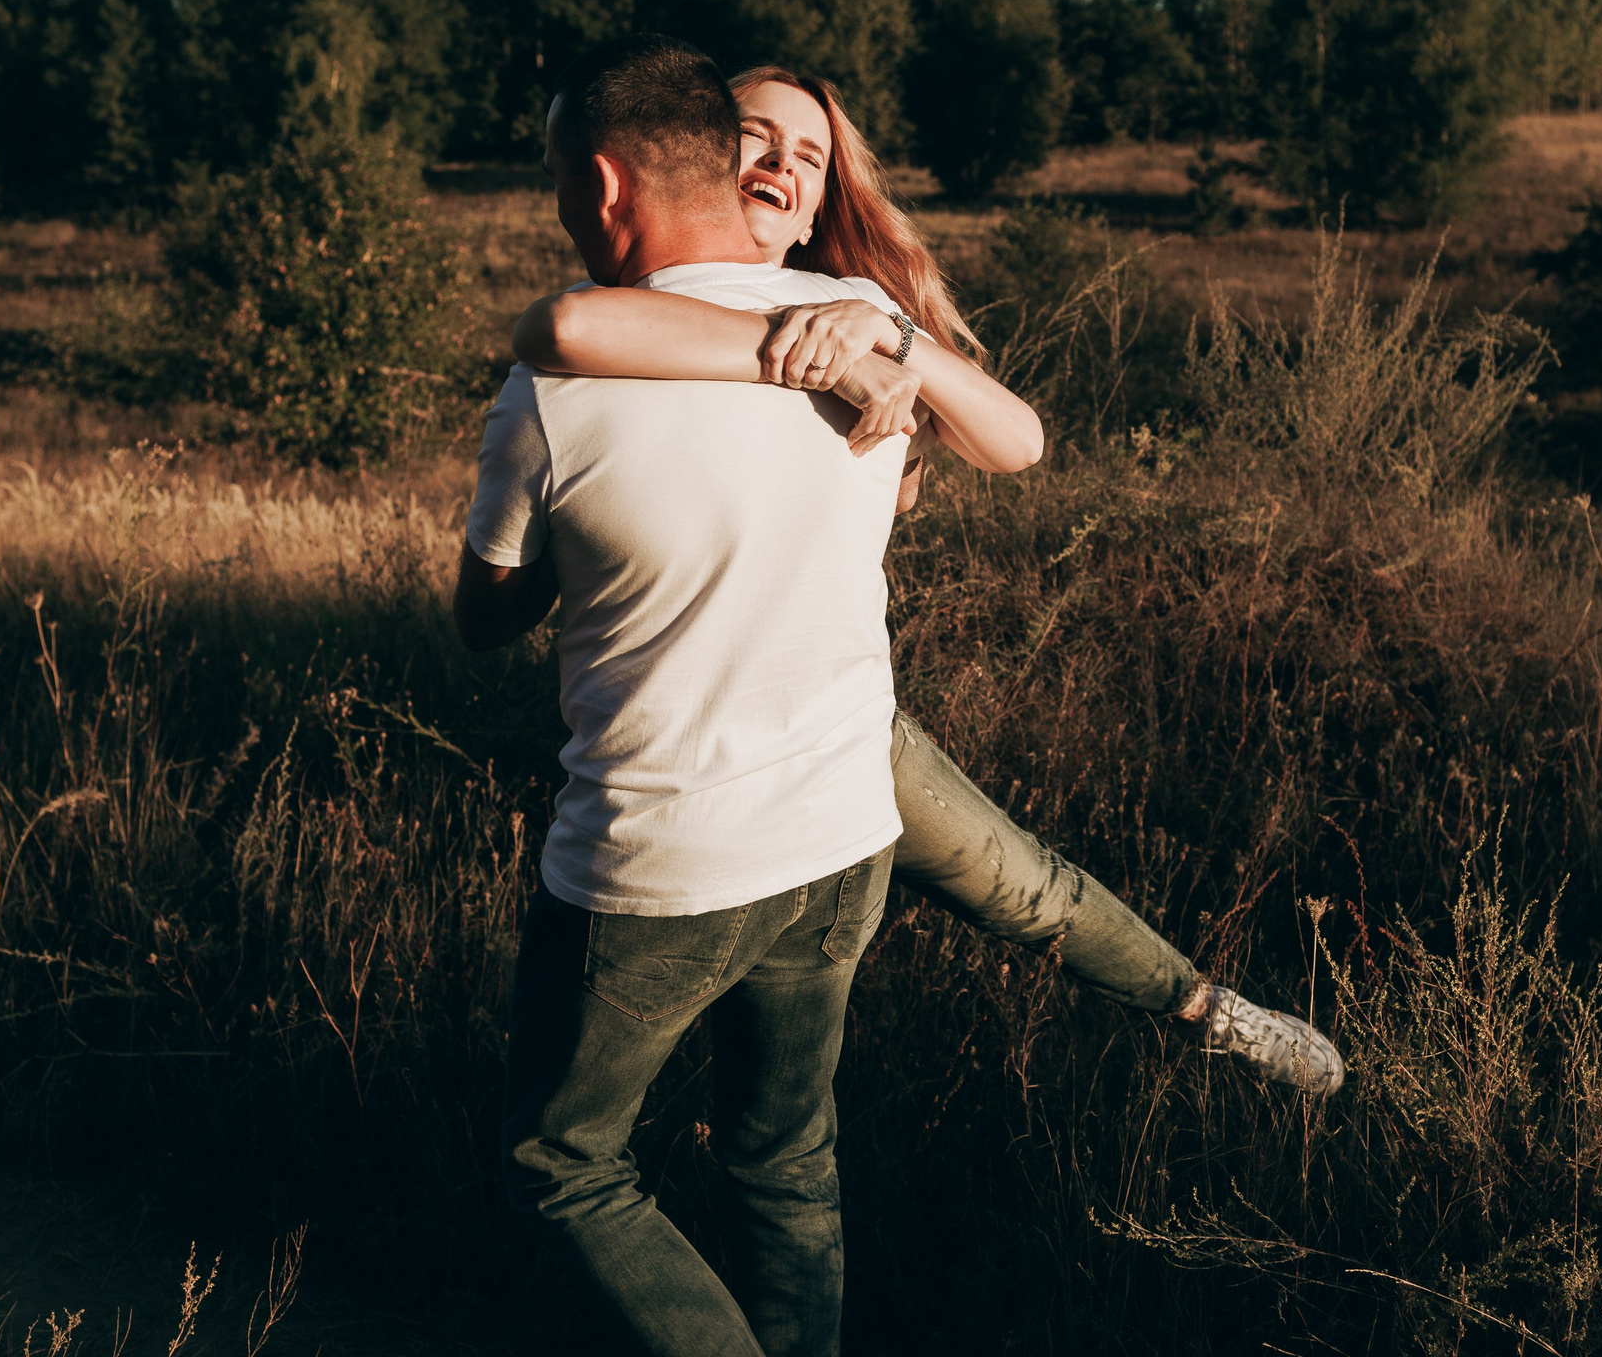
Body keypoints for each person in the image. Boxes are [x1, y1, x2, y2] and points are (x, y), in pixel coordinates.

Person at [510, 66, 1344, 1095]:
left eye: (808, 157)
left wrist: (884, 336)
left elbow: (1018, 440)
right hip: (688, 733)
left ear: (820, 201)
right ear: (686, 153)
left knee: (1027, 888)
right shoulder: (647, 318)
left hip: (832, 724)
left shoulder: (850, 307)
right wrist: (816, 359)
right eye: (753, 135)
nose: (779, 162)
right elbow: (568, 328)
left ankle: (1214, 1014)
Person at [460, 34, 927, 1357]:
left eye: (560, 183)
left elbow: (485, 619)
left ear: (606, 187)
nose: (563, 212)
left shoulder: (556, 386)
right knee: (784, 1159)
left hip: (658, 861)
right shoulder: (859, 332)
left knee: (564, 1161)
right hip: (844, 832)